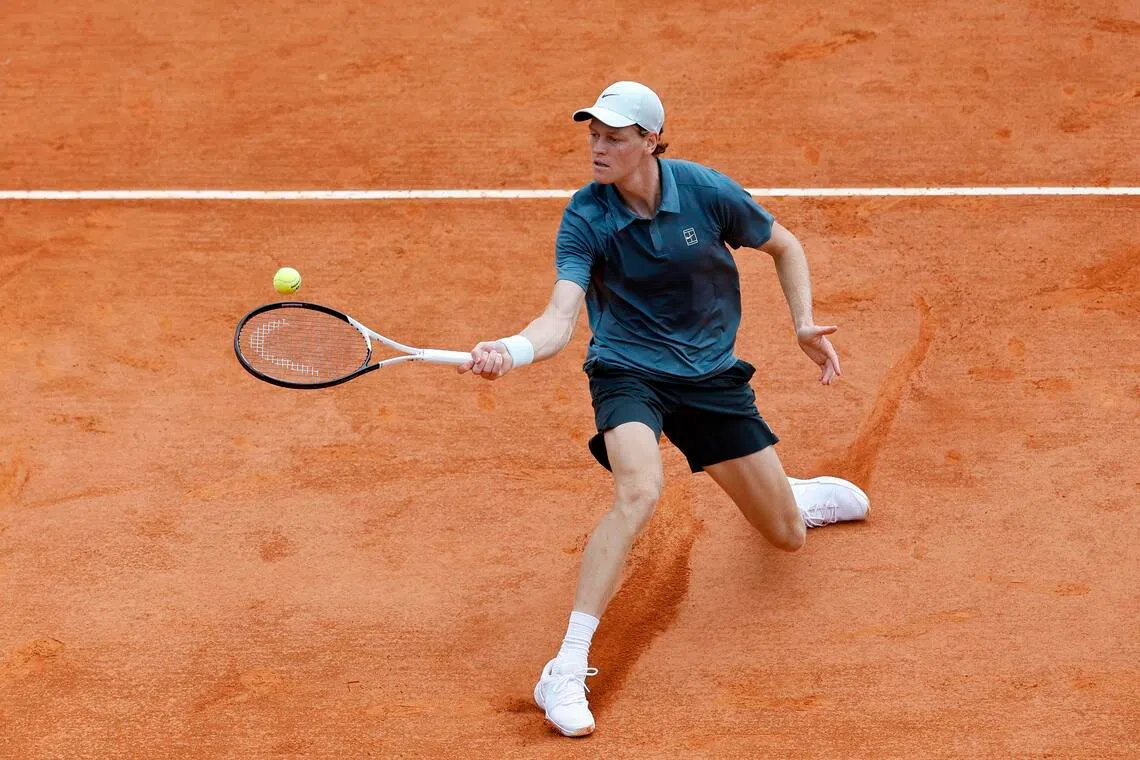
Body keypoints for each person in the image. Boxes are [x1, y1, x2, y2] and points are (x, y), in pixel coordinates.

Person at [457, 81, 869, 737]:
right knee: (639, 491)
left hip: (709, 377)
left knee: (785, 535)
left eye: (613, 138)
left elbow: (783, 246)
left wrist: (802, 323)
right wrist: (511, 349)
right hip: (628, 374)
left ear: (650, 141)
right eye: (592, 135)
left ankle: (789, 495)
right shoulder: (586, 217)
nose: (598, 147)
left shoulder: (705, 193)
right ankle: (564, 667)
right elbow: (560, 319)